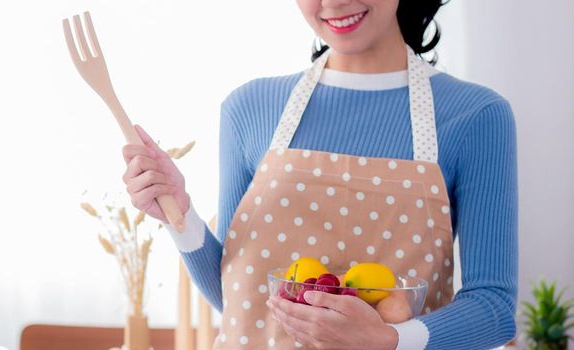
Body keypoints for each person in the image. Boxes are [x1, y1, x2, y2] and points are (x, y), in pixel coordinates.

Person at [120, 0, 517, 348]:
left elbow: (494, 308)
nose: (334, 1)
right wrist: (180, 214)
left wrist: (389, 341)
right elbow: (241, 299)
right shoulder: (250, 108)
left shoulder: (476, 116)